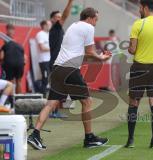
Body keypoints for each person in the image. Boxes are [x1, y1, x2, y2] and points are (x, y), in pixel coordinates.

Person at [28, 7, 111, 150]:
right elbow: (90, 52)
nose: (96, 23)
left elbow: (81, 54)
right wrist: (101, 57)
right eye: (96, 19)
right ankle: (89, 138)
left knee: (51, 103)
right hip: (70, 69)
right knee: (87, 101)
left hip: (58, 68)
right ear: (90, 18)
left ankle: (35, 134)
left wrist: (98, 57)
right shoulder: (88, 27)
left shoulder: (74, 26)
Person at [125, 0, 153, 148]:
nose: (139, 10)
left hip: (139, 67)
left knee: (134, 102)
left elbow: (132, 49)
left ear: (144, 7)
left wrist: (129, 47)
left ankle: (131, 140)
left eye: (139, 7)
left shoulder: (139, 24)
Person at [48, 0, 74, 118]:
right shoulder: (56, 28)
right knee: (57, 88)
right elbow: (65, 15)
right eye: (57, 17)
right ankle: (53, 111)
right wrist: (70, 2)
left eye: (60, 17)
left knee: (59, 88)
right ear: (52, 19)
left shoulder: (58, 29)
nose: (60, 18)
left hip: (59, 62)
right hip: (56, 62)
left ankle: (54, 110)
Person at [0, 24, 25, 93]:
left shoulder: (5, 46)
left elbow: (1, 57)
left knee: (9, 82)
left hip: (9, 63)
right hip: (20, 63)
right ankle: (19, 99)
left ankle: (10, 99)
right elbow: (24, 58)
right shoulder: (19, 45)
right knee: (18, 81)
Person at [36, 20, 51, 95]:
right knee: (45, 78)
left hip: (49, 60)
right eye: (49, 24)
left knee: (50, 78)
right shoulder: (40, 34)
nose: (50, 26)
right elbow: (42, 47)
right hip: (43, 60)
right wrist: (53, 48)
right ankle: (43, 95)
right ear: (44, 26)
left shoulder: (48, 34)